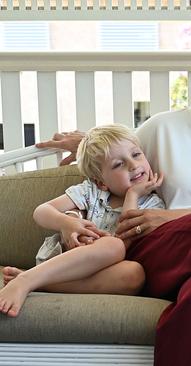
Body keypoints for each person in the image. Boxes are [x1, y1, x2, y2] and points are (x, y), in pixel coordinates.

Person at [26, 17, 191, 366]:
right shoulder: (165, 127)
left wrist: (168, 217)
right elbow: (121, 158)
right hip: (160, 254)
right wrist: (87, 144)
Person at [0, 124, 164, 318]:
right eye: (119, 164)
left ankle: (34, 280)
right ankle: (28, 279)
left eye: (136, 154)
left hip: (100, 272)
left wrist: (133, 195)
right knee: (114, 246)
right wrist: (67, 223)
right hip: (63, 260)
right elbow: (41, 211)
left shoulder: (153, 205)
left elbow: (126, 237)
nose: (133, 165)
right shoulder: (91, 192)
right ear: (101, 181)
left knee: (134, 273)